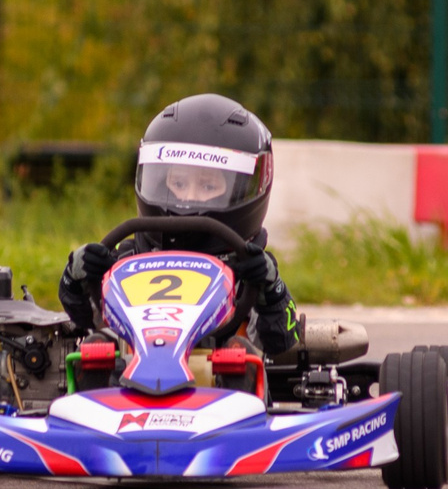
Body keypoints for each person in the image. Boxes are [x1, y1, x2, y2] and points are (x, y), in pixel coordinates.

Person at [58, 93, 300, 357]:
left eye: (208, 186)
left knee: (240, 351)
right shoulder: (127, 261)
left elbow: (282, 338)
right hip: (130, 377)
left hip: (222, 377)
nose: (187, 198)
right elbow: (84, 318)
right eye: (179, 183)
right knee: (95, 347)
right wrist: (76, 277)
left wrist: (272, 291)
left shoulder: (250, 272)